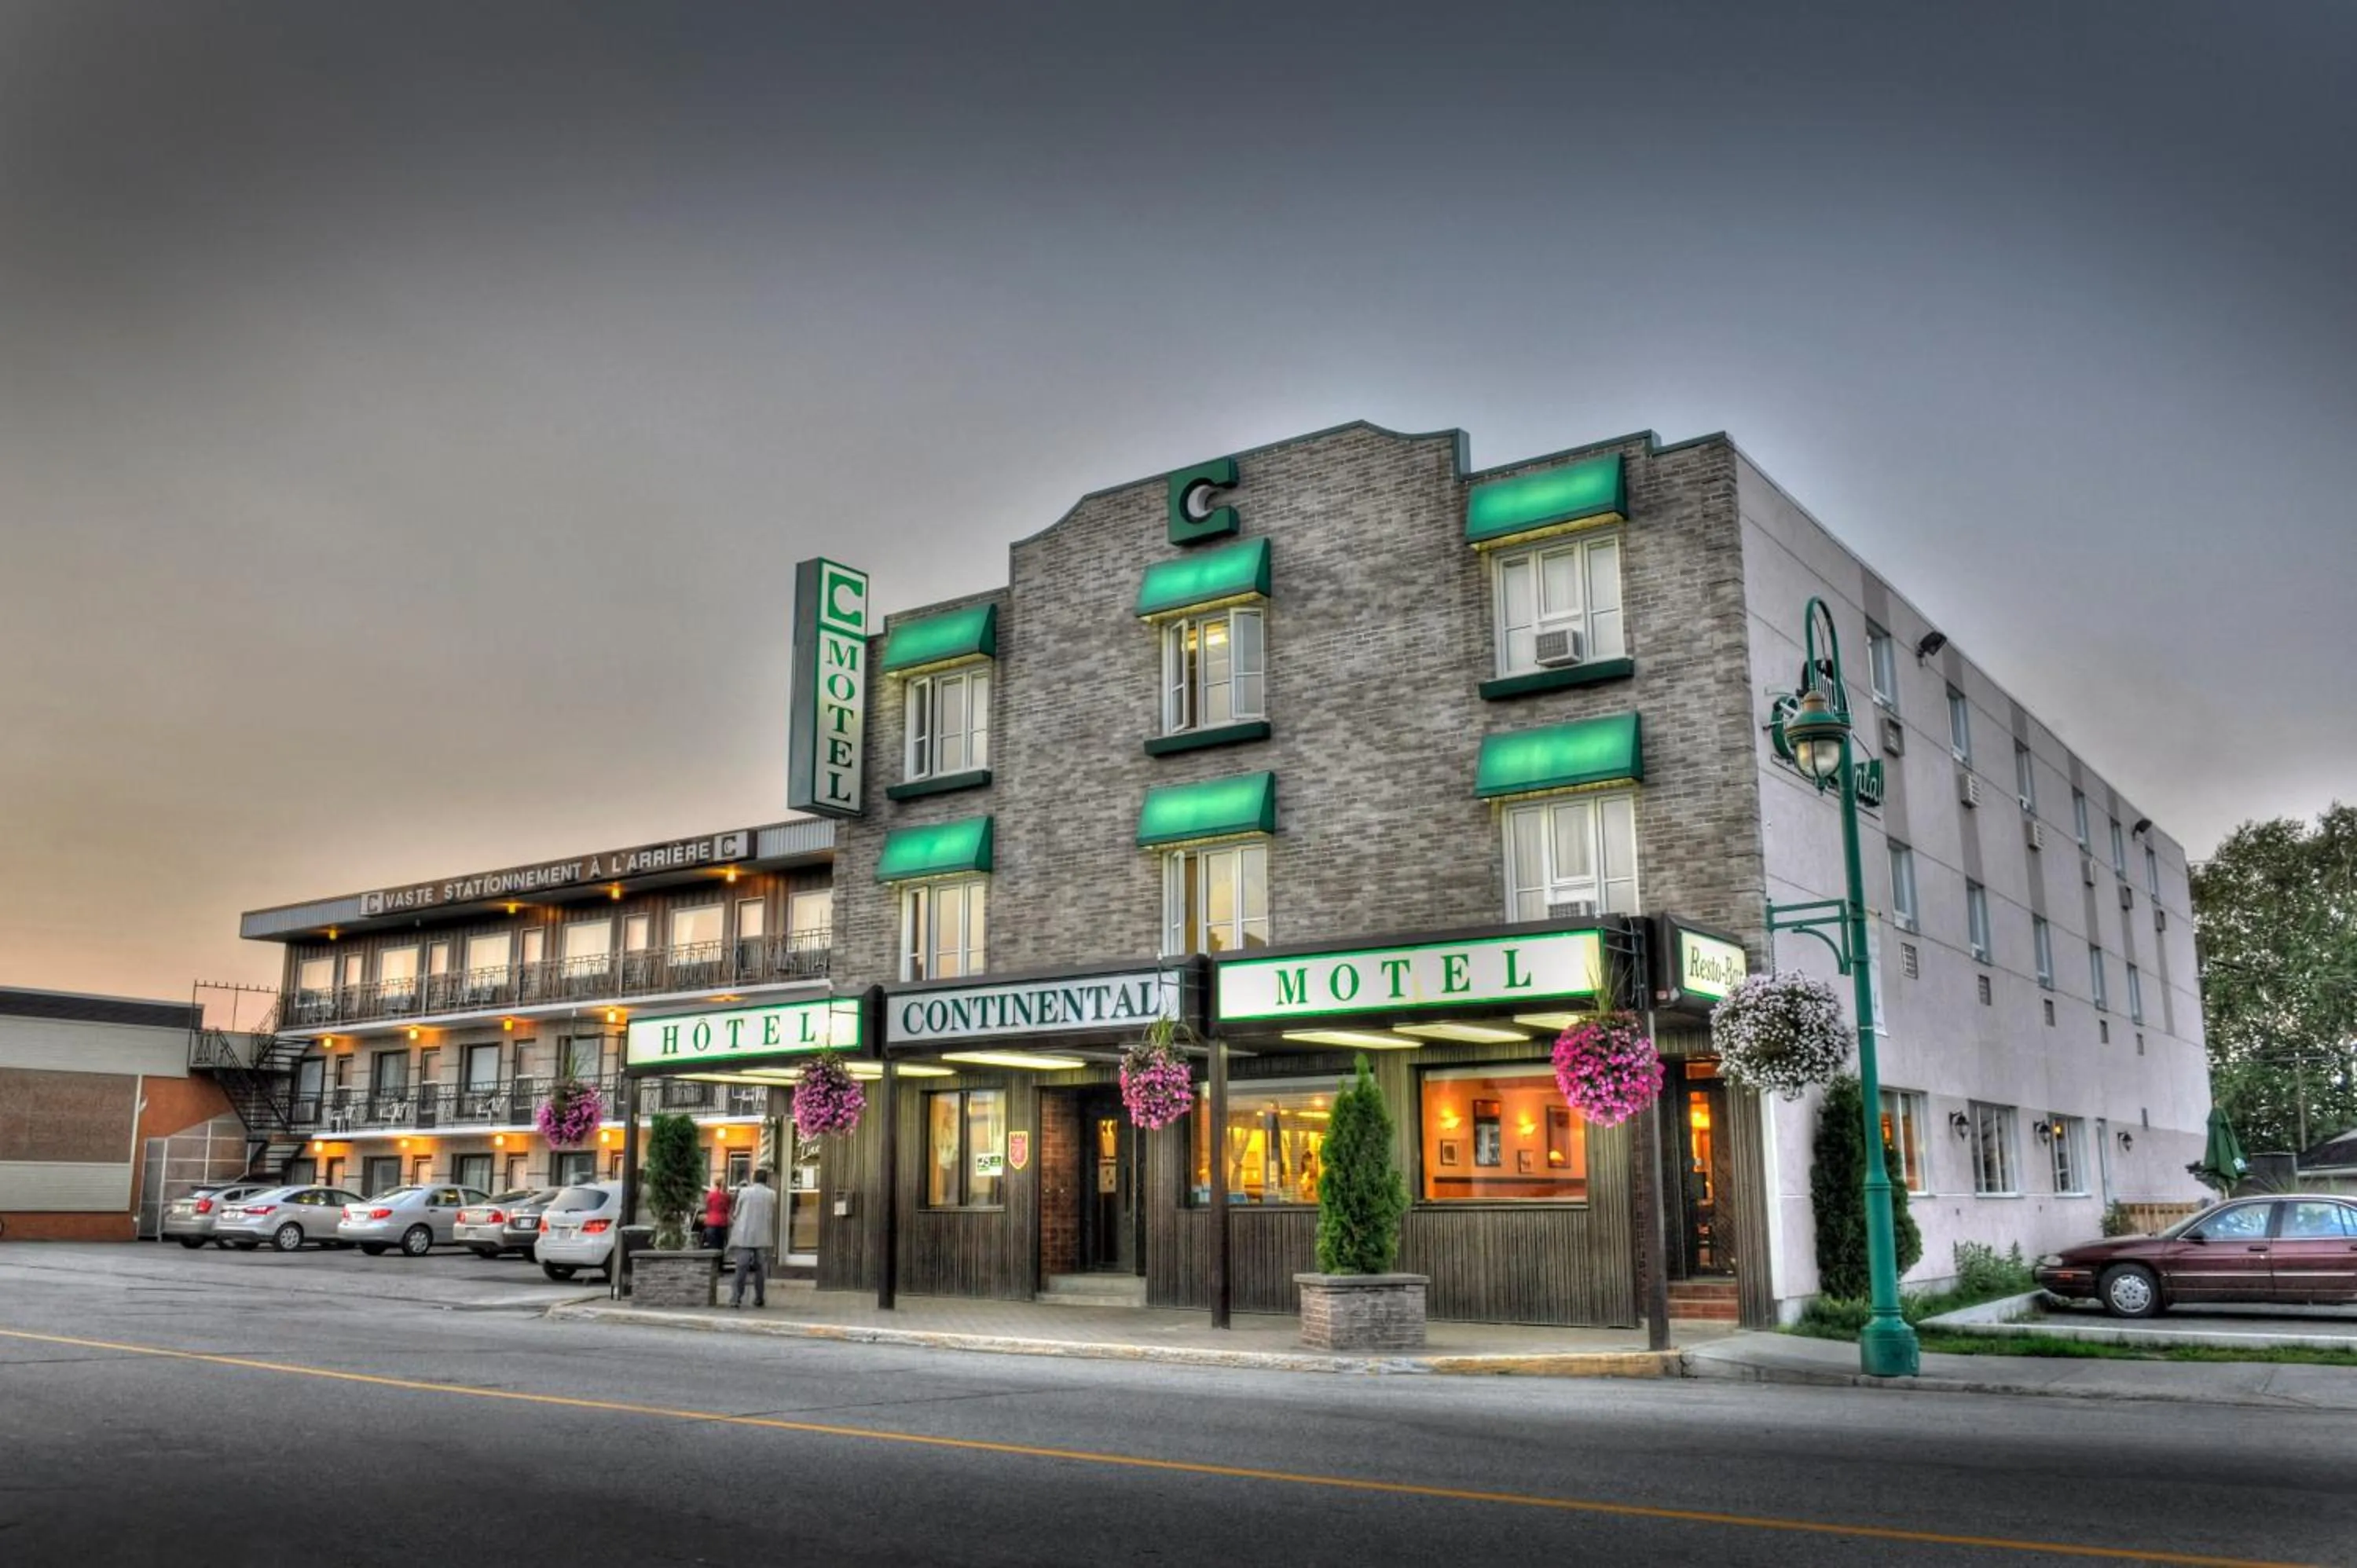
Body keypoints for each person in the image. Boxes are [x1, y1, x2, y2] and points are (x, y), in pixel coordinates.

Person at [727, 1167, 778, 1309]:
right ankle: (760, 1298)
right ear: (766, 1180)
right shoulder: (772, 1194)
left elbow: (736, 1212)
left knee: (741, 1267)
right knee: (761, 1269)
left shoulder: (744, 1192)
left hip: (745, 1234)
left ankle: (736, 1298)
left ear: (754, 1178)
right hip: (763, 1235)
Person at [700, 1179, 732, 1253]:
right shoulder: (727, 1197)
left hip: (711, 1222)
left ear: (715, 1185)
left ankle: (712, 1262)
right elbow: (728, 1209)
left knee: (711, 1246)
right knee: (721, 1246)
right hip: (723, 1222)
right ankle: (719, 1263)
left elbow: (707, 1208)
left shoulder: (710, 1195)